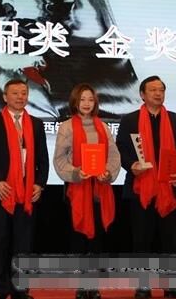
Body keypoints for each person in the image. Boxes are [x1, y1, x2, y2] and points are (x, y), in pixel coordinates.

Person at [116, 76, 176, 299]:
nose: (158, 93)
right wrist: (131, 165)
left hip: (170, 189)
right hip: (140, 189)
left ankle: (172, 286)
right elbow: (120, 149)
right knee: (141, 240)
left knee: (172, 241)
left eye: (161, 90)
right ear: (142, 94)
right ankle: (142, 286)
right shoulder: (130, 120)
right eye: (153, 90)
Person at [0, 79, 50, 299]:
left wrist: (39, 184)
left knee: (23, 245)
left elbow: (43, 159)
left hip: (27, 193)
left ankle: (20, 289)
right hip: (0, 193)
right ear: (5, 96)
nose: (20, 97)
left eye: (24, 93)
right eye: (15, 93)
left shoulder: (36, 124)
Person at [53, 83, 121, 299]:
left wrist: (108, 173)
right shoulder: (66, 127)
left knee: (96, 242)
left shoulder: (103, 127)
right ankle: (81, 286)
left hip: (99, 192)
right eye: (82, 99)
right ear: (75, 102)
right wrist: (75, 172)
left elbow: (114, 156)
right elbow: (59, 159)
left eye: (90, 99)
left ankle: (94, 285)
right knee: (79, 240)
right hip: (77, 191)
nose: (86, 103)